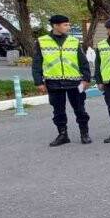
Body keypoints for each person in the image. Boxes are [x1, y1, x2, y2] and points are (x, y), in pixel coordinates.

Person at [32, 14, 91, 146]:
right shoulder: (42, 41)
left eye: (68, 24)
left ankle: (84, 133)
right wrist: (38, 82)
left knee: (80, 109)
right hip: (53, 82)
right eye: (65, 25)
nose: (68, 27)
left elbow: (83, 62)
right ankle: (63, 135)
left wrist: (86, 79)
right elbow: (37, 63)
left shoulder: (74, 41)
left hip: (74, 82)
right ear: (55, 26)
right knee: (58, 111)